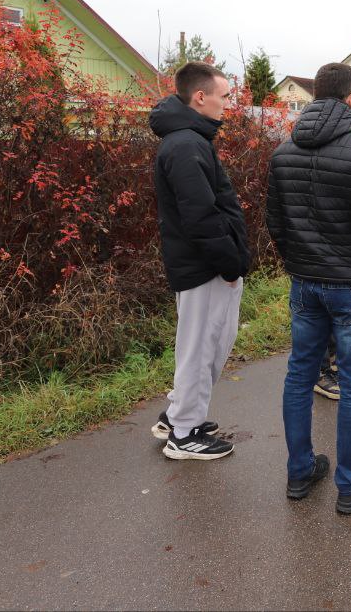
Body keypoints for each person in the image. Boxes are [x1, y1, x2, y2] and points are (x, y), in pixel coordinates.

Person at [267, 62, 351, 514]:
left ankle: (300, 470)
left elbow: (276, 225)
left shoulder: (284, 151)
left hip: (305, 284)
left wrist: (299, 262)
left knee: (299, 376)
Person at [148, 61, 252, 461]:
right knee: (202, 349)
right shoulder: (186, 145)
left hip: (202, 265)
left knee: (201, 346)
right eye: (225, 96)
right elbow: (201, 217)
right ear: (200, 97)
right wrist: (229, 264)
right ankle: (184, 435)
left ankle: (177, 416)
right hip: (205, 267)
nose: (229, 104)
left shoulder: (189, 139)